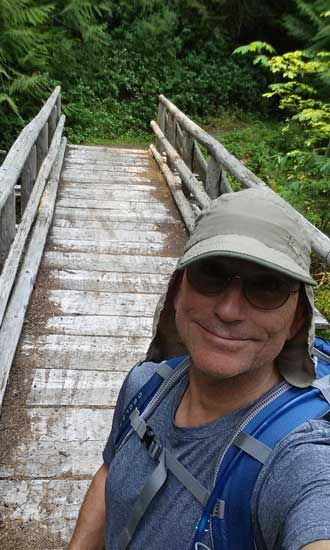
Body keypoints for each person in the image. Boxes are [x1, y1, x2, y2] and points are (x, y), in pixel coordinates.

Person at [69, 188, 330, 550]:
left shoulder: (298, 456)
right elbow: (112, 472)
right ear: (177, 289)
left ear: (297, 320)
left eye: (268, 287)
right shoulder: (145, 387)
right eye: (211, 274)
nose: (229, 310)